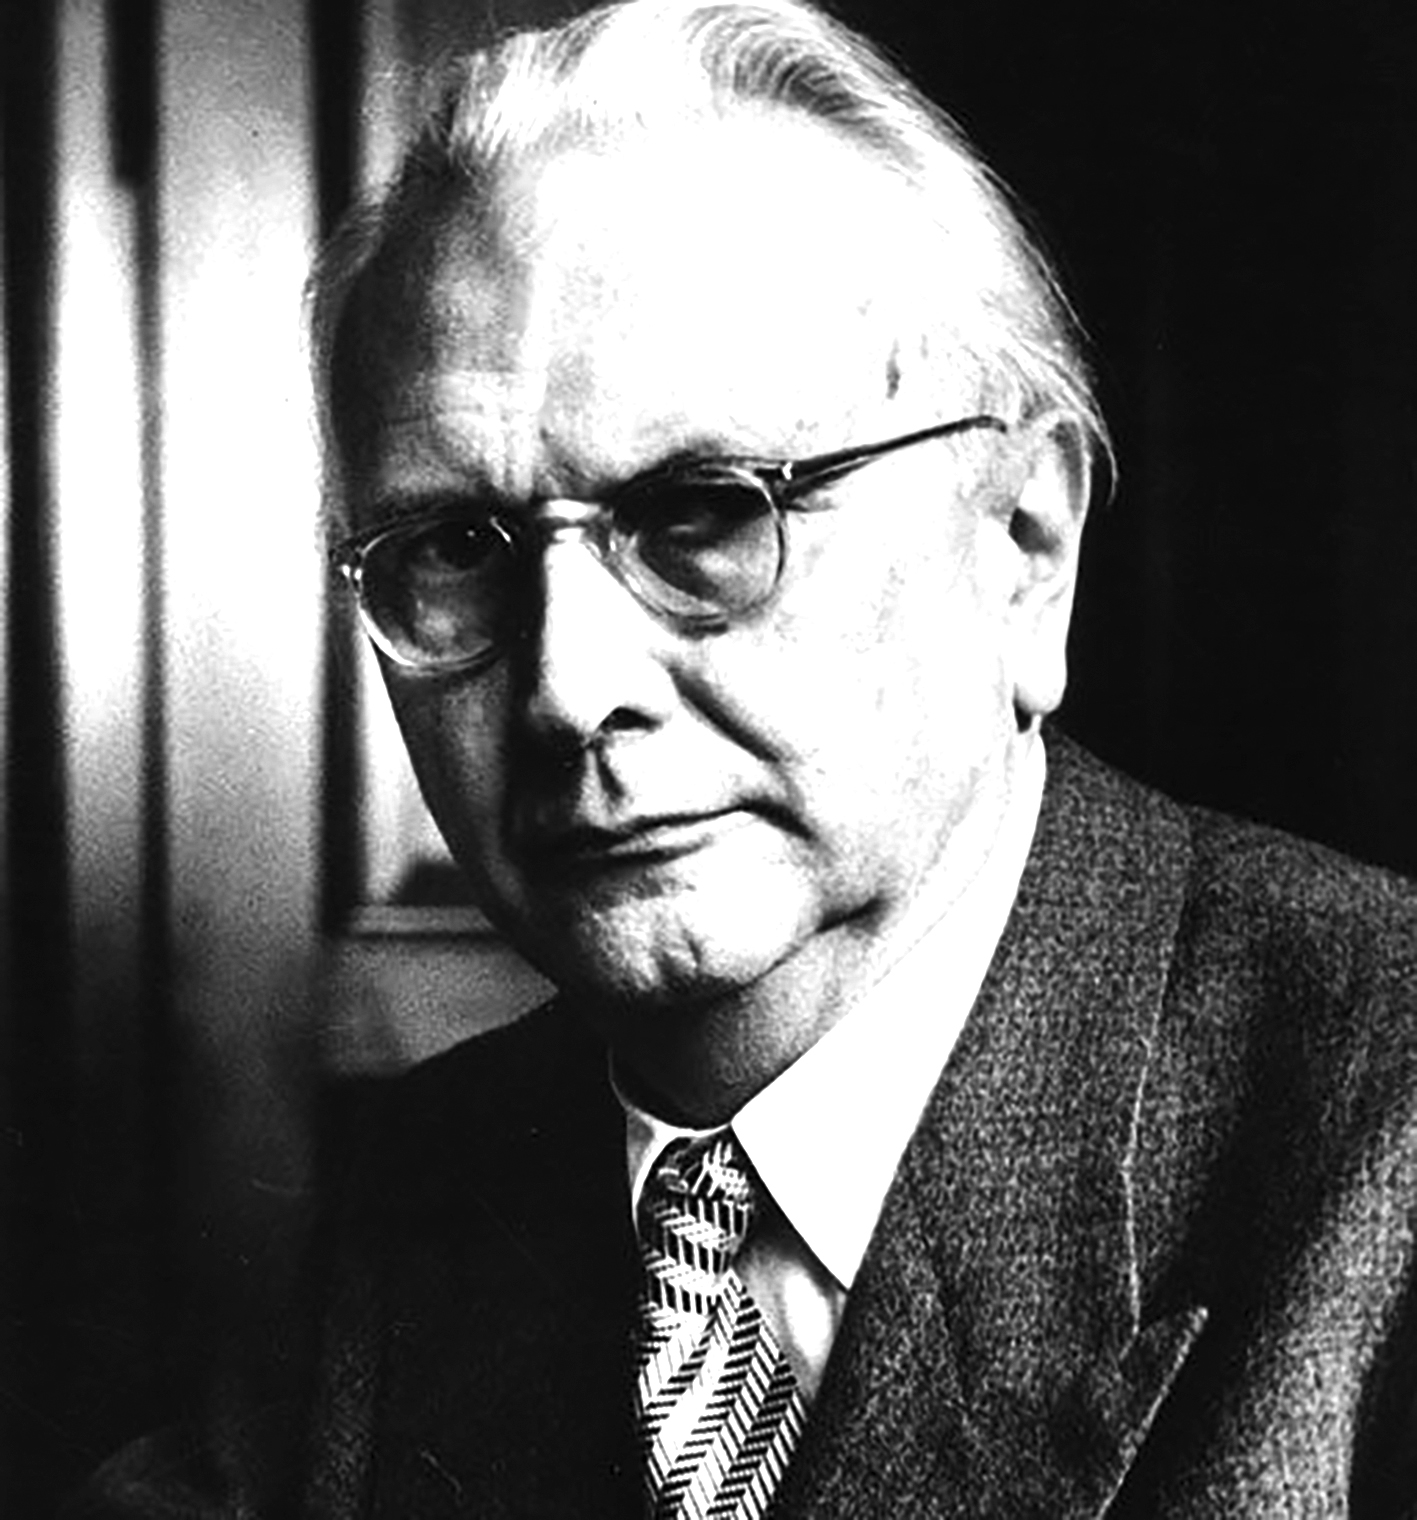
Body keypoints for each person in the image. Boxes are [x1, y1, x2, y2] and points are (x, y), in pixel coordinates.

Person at [78, 0, 1417, 1514]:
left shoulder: (1384, 1136)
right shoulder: (428, 1185)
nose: (568, 692)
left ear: (1024, 546)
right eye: (454, 546)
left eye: (706, 514)